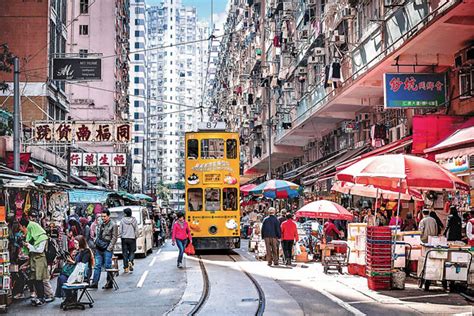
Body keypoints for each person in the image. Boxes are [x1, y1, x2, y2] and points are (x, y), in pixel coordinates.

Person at [19, 217, 49, 306]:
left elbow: (40, 250)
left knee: (39, 280)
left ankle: (41, 298)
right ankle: (39, 297)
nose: (21, 229)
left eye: (21, 227)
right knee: (34, 280)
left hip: (39, 261)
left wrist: (29, 246)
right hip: (33, 260)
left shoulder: (42, 237)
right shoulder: (32, 236)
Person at [91, 209, 118, 289]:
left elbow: (114, 237)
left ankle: (109, 283)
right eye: (102, 216)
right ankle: (95, 283)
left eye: (104, 216)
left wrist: (109, 248)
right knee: (97, 265)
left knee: (108, 266)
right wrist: (95, 241)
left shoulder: (113, 225)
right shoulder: (100, 223)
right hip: (99, 248)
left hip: (107, 248)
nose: (103, 218)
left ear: (108, 216)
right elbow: (97, 234)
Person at [119, 208, 138, 273]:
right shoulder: (134, 220)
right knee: (132, 252)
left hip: (124, 238)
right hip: (132, 238)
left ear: (125, 213)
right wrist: (136, 236)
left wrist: (120, 235)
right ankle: (130, 261)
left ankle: (126, 268)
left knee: (124, 253)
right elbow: (136, 229)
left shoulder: (122, 220)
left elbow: (120, 230)